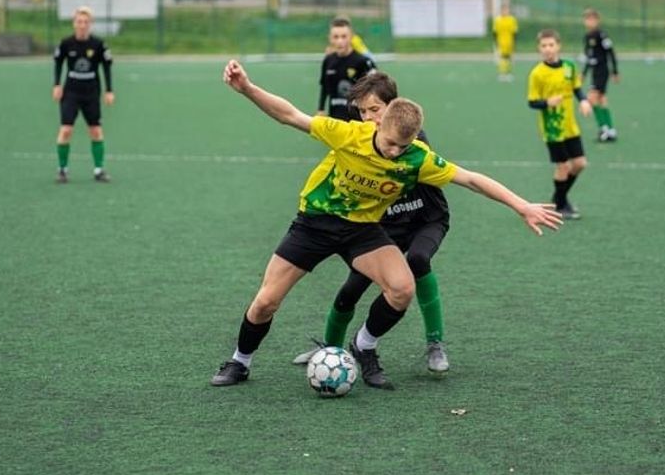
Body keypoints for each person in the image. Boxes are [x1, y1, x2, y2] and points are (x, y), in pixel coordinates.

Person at [212, 59, 562, 390]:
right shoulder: (348, 134)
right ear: (378, 125)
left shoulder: (416, 156)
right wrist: (247, 88)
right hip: (315, 223)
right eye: (391, 143)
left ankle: (364, 345)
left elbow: (469, 179)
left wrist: (521, 205)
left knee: (401, 288)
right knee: (265, 303)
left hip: (362, 230)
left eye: (403, 145)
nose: (395, 151)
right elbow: (290, 116)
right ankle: (239, 361)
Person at [292, 72, 454, 374]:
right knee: (351, 288)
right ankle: (331, 349)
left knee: (418, 260)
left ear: (394, 107)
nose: (367, 117)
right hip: (384, 225)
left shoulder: (410, 140)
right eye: (362, 111)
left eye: (374, 110)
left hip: (422, 219)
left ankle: (435, 343)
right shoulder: (365, 139)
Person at [528, 29, 591, 220]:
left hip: (570, 125)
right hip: (552, 128)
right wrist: (547, 103)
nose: (548, 49)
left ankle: (558, 199)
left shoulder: (569, 67)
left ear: (558, 46)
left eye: (551, 45)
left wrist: (583, 100)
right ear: (539, 48)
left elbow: (577, 87)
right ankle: (561, 205)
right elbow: (531, 102)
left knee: (580, 164)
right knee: (563, 166)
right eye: (544, 46)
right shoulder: (537, 74)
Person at [52, 6, 114, 183]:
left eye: (86, 22)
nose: (82, 25)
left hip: (91, 92)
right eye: (79, 22)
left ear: (90, 24)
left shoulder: (98, 45)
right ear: (74, 23)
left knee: (95, 131)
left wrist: (109, 90)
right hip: (71, 92)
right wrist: (56, 84)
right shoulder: (66, 43)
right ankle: (62, 170)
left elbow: (106, 67)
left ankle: (99, 170)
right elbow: (58, 63)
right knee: (65, 130)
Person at [318, 16, 375, 120]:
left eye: (344, 36)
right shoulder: (328, 60)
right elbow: (324, 87)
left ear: (351, 37)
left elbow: (376, 89)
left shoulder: (362, 62)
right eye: (336, 37)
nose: (340, 41)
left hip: (358, 122)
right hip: (335, 120)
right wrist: (321, 109)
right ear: (330, 38)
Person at [582, 8, 620, 142]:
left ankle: (603, 128)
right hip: (594, 72)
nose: (589, 22)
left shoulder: (602, 35)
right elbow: (588, 57)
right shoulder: (587, 37)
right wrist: (584, 73)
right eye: (587, 19)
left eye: (592, 19)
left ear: (597, 21)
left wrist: (615, 71)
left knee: (591, 98)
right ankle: (610, 129)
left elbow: (611, 53)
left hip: (602, 71)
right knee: (602, 100)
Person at [492, 4, 519, 82]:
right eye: (503, 10)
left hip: (510, 42)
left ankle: (508, 73)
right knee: (503, 58)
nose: (505, 12)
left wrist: (514, 42)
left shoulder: (512, 20)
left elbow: (514, 32)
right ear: (501, 11)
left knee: (509, 58)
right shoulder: (498, 20)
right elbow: (495, 32)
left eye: (506, 10)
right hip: (501, 42)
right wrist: (496, 42)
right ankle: (502, 74)